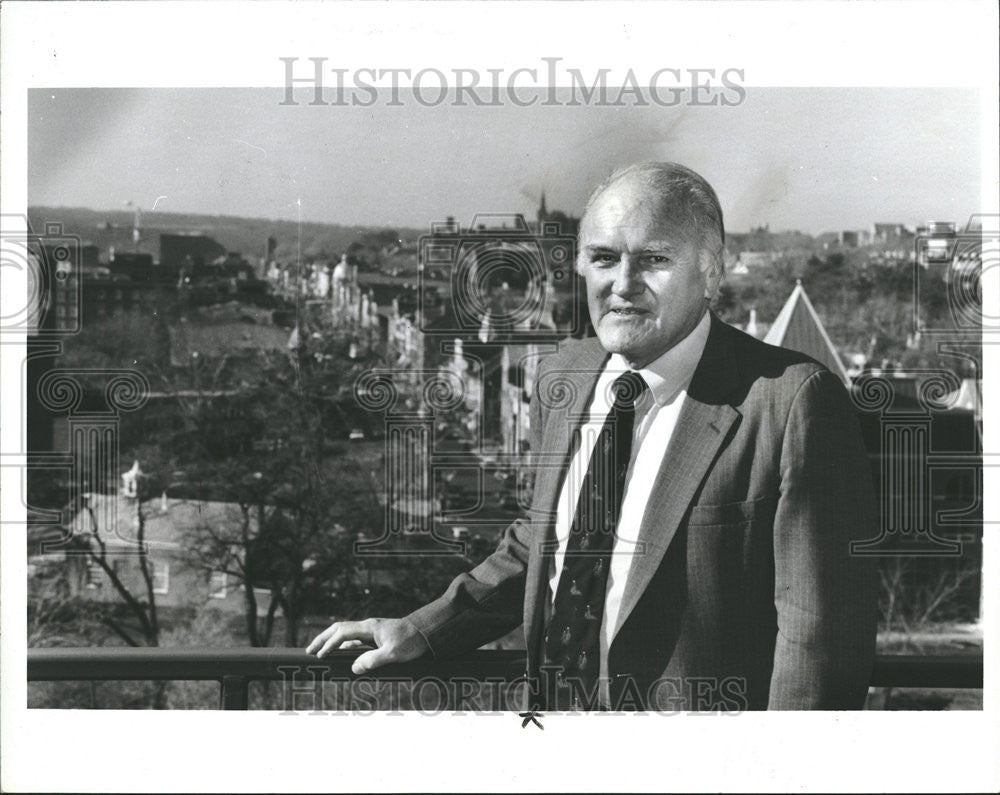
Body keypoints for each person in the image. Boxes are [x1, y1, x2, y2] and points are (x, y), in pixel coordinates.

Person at [307, 162, 879, 711]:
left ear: (711, 271)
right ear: (580, 265)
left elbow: (819, 640)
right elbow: (541, 541)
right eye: (603, 258)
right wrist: (422, 630)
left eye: (654, 259)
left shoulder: (789, 400)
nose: (622, 285)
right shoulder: (563, 373)